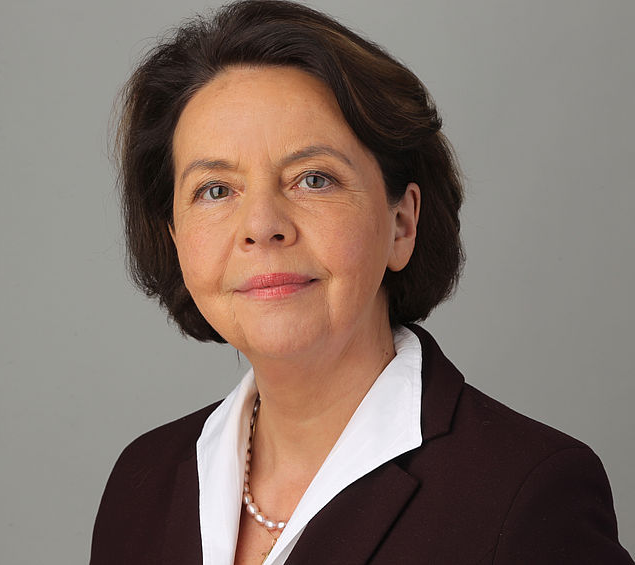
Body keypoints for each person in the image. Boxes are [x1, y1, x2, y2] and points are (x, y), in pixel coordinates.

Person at [91, 1, 633, 563]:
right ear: (176, 237)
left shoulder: (526, 495)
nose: (262, 226)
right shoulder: (142, 484)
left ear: (401, 224)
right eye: (216, 190)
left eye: (313, 179)